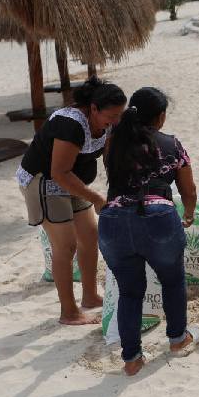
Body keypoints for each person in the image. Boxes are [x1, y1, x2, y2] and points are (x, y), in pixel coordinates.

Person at [100, 87, 198, 376]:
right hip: (158, 217)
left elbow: (114, 175)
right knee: (172, 280)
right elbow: (188, 190)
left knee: (129, 292)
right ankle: (177, 339)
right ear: (161, 117)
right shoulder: (172, 144)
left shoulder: (113, 142)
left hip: (113, 220)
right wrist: (188, 214)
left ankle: (131, 358)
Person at [17, 77, 127, 325]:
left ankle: (89, 296)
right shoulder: (70, 124)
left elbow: (109, 158)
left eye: (119, 114)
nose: (116, 121)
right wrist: (96, 197)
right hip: (43, 181)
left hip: (73, 182)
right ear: (93, 109)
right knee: (65, 246)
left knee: (90, 236)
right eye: (111, 116)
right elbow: (59, 172)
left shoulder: (109, 124)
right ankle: (69, 312)